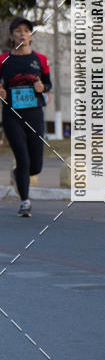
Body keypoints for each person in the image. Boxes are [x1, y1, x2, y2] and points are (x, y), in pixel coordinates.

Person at [0, 17, 52, 217]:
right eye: (18, 31)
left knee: (35, 165)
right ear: (12, 36)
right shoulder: (3, 59)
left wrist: (43, 87)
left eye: (26, 31)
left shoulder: (40, 59)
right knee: (22, 157)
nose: (22, 33)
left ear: (31, 36)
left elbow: (48, 83)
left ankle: (18, 176)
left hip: (34, 114)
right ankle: (25, 202)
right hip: (12, 114)